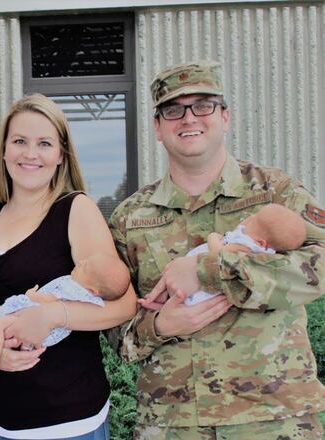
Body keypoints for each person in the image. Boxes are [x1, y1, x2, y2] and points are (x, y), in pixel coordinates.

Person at [108, 61, 325, 439]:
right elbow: (113, 325)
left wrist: (211, 270)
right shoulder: (130, 217)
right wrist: (158, 326)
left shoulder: (275, 192)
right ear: (158, 128)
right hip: (172, 423)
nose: (188, 118)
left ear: (225, 117)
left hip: (275, 418)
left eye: (203, 105)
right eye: (173, 110)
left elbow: (319, 265)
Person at [0, 93, 137, 440]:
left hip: (70, 420)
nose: (30, 154)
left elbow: (124, 304)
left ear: (61, 155)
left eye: (44, 143)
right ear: (4, 150)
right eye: (20, 141)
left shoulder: (76, 210)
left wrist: (54, 315)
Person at [0, 253, 130, 375]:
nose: (81, 262)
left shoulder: (74, 289)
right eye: (85, 261)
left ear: (93, 290)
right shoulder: (85, 291)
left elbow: (50, 300)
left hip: (38, 321)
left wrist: (32, 295)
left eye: (85, 267)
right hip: (36, 320)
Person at [184, 203, 307, 305]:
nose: (249, 218)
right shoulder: (261, 248)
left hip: (196, 287)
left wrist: (212, 237)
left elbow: (218, 254)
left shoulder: (246, 246)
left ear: (260, 243)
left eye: (253, 221)